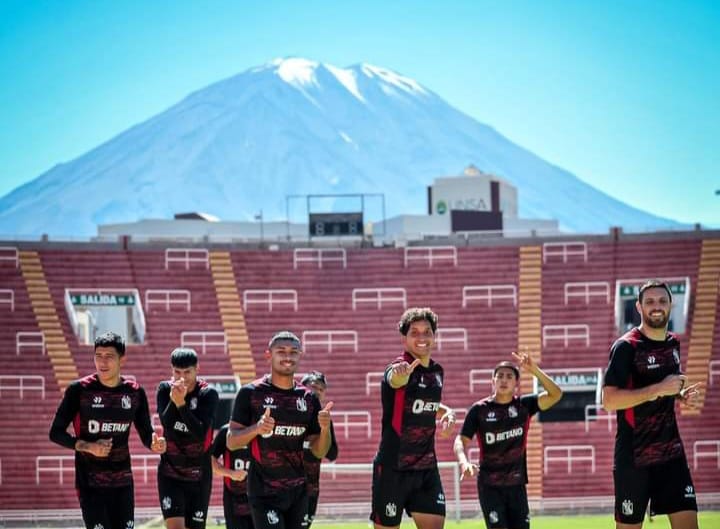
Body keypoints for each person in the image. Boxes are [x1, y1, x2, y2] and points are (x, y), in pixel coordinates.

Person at [602, 279, 702, 529]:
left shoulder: (673, 343)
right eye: (649, 302)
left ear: (671, 304)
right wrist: (659, 389)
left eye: (662, 301)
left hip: (671, 454)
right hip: (634, 458)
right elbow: (609, 400)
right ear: (639, 307)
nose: (656, 306)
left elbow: (661, 388)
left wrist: (677, 394)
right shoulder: (626, 346)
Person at [49, 331, 166, 529]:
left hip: (123, 482)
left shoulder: (135, 392)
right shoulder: (79, 390)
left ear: (123, 359)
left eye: (109, 357)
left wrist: (154, 443)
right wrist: (88, 446)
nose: (102, 362)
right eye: (98, 356)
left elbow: (147, 433)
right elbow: (55, 433)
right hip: (90, 483)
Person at [227, 331, 333, 529]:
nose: (287, 356)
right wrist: (256, 429)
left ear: (300, 355)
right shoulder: (251, 393)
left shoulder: (309, 399)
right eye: (281, 351)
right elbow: (231, 441)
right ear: (269, 355)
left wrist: (325, 429)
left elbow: (319, 451)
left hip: (298, 491)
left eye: (293, 352)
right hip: (264, 491)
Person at [453, 352, 563, 529]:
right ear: (493, 381)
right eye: (500, 376)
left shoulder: (524, 406)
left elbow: (556, 394)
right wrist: (463, 462)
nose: (504, 380)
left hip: (517, 486)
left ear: (516, 384)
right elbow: (460, 440)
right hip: (490, 486)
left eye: (509, 376)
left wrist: (534, 370)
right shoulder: (479, 410)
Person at [370, 307, 457, 529]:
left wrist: (446, 411)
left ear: (434, 336)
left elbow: (423, 404)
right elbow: (394, 380)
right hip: (392, 468)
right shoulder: (399, 367)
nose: (422, 337)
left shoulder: (437, 372)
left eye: (427, 332)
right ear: (404, 338)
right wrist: (399, 375)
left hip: (426, 469)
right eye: (414, 332)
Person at [157, 348, 219, 529]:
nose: (181, 377)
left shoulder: (208, 394)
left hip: (199, 475)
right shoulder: (164, 389)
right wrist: (174, 401)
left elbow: (200, 433)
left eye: (187, 372)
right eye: (177, 372)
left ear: (197, 369)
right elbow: (166, 424)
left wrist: (181, 404)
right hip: (170, 473)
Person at [300, 371, 339, 527]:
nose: (317, 392)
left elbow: (332, 454)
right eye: (313, 387)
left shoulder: (325, 421)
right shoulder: (288, 415)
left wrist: (323, 432)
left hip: (310, 490)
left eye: (321, 390)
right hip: (284, 485)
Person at [211, 423, 253, 529]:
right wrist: (231, 474)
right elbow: (210, 461)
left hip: (259, 496)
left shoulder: (261, 431)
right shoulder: (226, 431)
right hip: (234, 497)